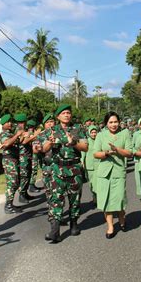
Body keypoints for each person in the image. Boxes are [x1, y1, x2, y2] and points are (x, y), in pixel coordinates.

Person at [42, 104, 88, 243]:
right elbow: (44, 148)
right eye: (63, 113)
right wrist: (49, 143)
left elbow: (85, 147)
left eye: (68, 113)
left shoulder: (78, 129)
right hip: (57, 169)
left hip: (74, 169)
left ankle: (74, 224)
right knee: (56, 199)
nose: (67, 115)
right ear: (58, 116)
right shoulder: (52, 130)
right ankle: (55, 231)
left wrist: (73, 142)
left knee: (74, 199)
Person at [93, 111, 133, 238]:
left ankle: (122, 219)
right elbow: (95, 153)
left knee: (120, 198)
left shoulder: (125, 133)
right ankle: (110, 226)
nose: (113, 124)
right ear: (106, 123)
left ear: (119, 122)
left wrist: (117, 150)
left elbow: (129, 152)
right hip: (104, 173)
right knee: (106, 200)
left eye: (115, 122)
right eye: (110, 122)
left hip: (118, 171)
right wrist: (106, 153)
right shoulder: (100, 135)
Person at [0, 114, 24, 214]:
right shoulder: (4, 134)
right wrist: (17, 135)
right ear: (3, 124)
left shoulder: (10, 133)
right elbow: (7, 143)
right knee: (12, 182)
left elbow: (17, 142)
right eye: (7, 122)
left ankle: (10, 203)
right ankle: (8, 205)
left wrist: (21, 136)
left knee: (15, 181)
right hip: (9, 160)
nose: (10, 124)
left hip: (14, 159)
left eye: (10, 122)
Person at [14, 113, 37, 203]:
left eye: (23, 122)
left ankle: (25, 193)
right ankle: (21, 194)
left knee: (28, 174)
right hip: (22, 156)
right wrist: (34, 136)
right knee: (24, 175)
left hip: (27, 155)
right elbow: (23, 142)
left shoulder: (24, 130)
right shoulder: (18, 131)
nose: (22, 124)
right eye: (20, 123)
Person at [81, 125, 100, 203]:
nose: (94, 134)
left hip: (99, 165)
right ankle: (94, 196)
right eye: (92, 132)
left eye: (95, 132)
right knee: (91, 183)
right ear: (89, 133)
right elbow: (83, 153)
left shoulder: (99, 140)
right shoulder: (87, 141)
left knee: (99, 183)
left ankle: (99, 197)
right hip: (90, 166)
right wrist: (82, 162)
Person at [27, 119, 41, 193]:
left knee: (35, 169)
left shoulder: (33, 132)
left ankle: (32, 184)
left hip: (35, 152)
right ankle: (31, 185)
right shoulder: (29, 133)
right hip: (32, 153)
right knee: (34, 169)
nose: (31, 128)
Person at [132, 118, 141, 200]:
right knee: (140, 179)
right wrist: (136, 152)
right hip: (138, 160)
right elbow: (131, 146)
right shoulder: (136, 134)